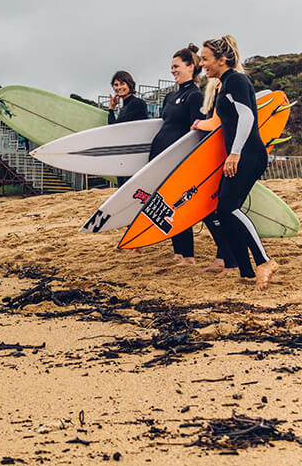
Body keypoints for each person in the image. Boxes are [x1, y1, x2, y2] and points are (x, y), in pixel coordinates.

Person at [196, 36, 277, 290]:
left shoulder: (236, 80)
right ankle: (246, 270)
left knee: (230, 209)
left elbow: (246, 117)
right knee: (224, 210)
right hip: (241, 153)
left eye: (206, 59)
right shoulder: (224, 83)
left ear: (222, 59)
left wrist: (235, 153)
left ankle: (264, 261)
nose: (202, 64)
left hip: (248, 154)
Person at [149, 45, 205, 265]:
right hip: (161, 157)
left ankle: (188, 255)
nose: (172, 70)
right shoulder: (170, 97)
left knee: (179, 205)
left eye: (176, 66)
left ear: (191, 66)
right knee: (166, 204)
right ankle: (178, 252)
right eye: (171, 67)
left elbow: (196, 131)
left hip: (179, 159)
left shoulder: (195, 96)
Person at [108, 70, 148, 184]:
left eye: (122, 83)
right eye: (116, 85)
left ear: (129, 84)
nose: (119, 87)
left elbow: (114, 128)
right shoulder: (125, 107)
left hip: (134, 155)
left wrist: (111, 109)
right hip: (126, 154)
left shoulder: (137, 103)